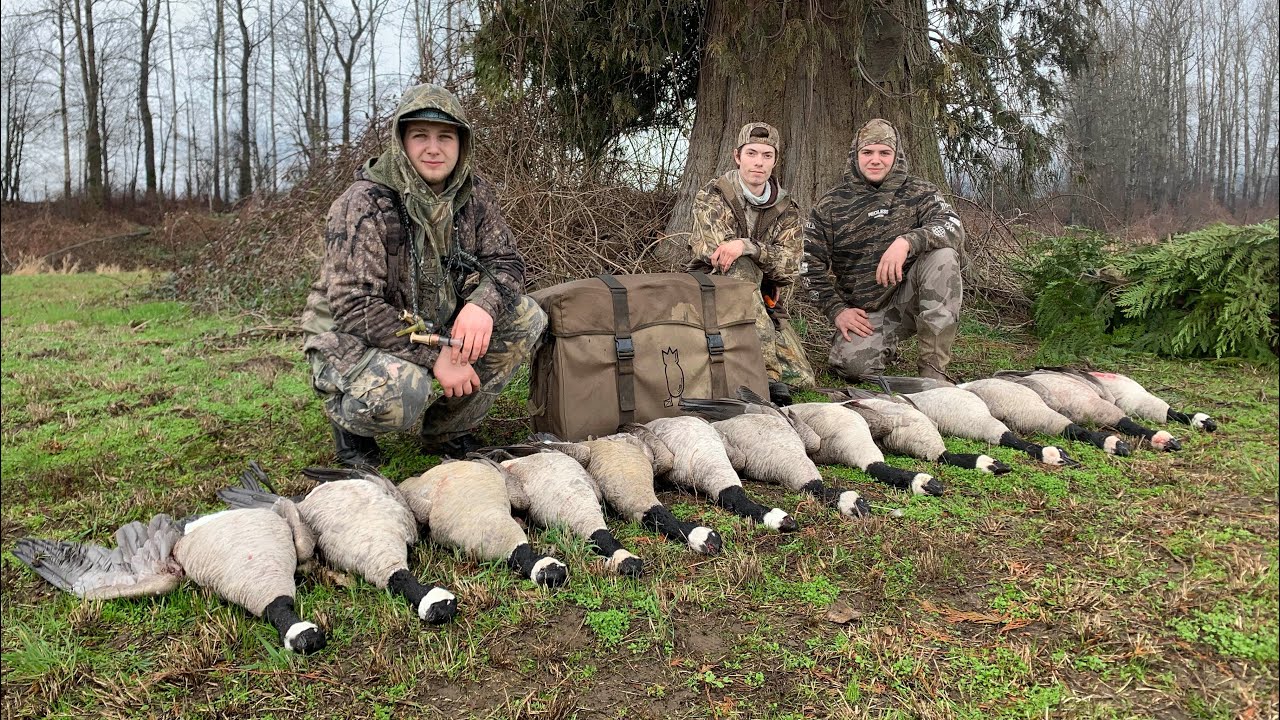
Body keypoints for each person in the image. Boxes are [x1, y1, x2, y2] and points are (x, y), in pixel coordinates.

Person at [300, 83, 547, 467]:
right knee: (404, 392)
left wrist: (481, 307)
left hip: (430, 320)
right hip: (353, 337)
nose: (434, 148)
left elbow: (508, 262)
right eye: (420, 136)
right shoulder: (363, 202)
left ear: (462, 143)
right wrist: (436, 356)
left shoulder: (474, 194)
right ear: (402, 141)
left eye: (445, 137)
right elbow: (354, 306)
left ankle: (449, 430)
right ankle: (351, 427)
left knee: (527, 316)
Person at [802, 118, 965, 381]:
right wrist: (837, 310)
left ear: (896, 156)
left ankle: (933, 371)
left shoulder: (920, 192)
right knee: (854, 368)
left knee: (943, 257)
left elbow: (953, 226)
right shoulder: (830, 205)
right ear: (855, 156)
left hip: (910, 300)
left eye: (884, 153)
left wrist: (906, 242)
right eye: (867, 152)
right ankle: (882, 346)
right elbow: (809, 268)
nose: (875, 160)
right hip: (867, 313)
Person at [685, 121, 815, 405]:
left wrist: (749, 246)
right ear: (737, 156)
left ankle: (750, 365)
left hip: (762, 298)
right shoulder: (713, 195)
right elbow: (719, 255)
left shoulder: (787, 209)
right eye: (752, 153)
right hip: (713, 290)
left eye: (767, 155)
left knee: (802, 377)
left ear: (775, 160)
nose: (759, 162)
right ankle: (764, 378)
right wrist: (760, 260)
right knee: (739, 267)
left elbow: (790, 265)